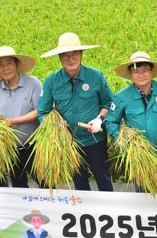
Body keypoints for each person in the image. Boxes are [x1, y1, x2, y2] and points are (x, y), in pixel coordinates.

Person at [37, 32, 113, 191]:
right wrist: (55, 128)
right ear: (59, 57)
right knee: (79, 182)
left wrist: (100, 119)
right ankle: (84, 207)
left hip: (95, 140)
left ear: (81, 54)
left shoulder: (95, 76)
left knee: (103, 179)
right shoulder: (51, 82)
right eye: (65, 55)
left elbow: (108, 103)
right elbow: (42, 112)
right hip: (70, 144)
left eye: (75, 54)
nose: (70, 59)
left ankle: (109, 206)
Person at [106, 51, 157, 193]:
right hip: (139, 156)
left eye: (145, 70)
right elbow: (111, 122)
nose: (141, 74)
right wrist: (123, 139)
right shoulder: (122, 96)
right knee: (143, 194)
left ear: (152, 71)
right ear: (130, 74)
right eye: (136, 71)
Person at [0, 46, 42, 188]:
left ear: (16, 64)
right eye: (0, 64)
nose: (5, 68)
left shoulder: (32, 83)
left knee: (44, 182)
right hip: (9, 148)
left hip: (33, 145)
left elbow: (40, 111)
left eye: (9, 63)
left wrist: (13, 121)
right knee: (18, 184)